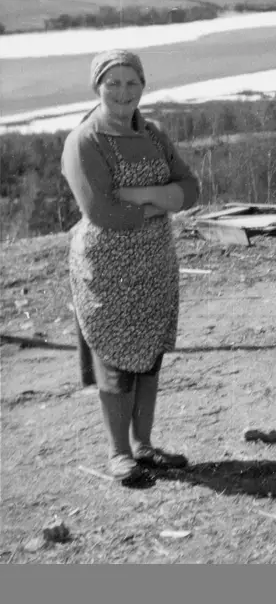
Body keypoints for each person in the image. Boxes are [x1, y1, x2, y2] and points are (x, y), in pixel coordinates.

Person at [62, 50, 199, 486]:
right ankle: (119, 453)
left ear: (143, 86)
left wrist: (139, 194)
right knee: (116, 357)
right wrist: (163, 198)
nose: (123, 92)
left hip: (155, 262)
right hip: (106, 265)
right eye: (113, 83)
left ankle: (145, 445)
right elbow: (102, 211)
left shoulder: (155, 134)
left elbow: (192, 190)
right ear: (97, 86)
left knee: (150, 356)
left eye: (132, 83)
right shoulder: (85, 140)